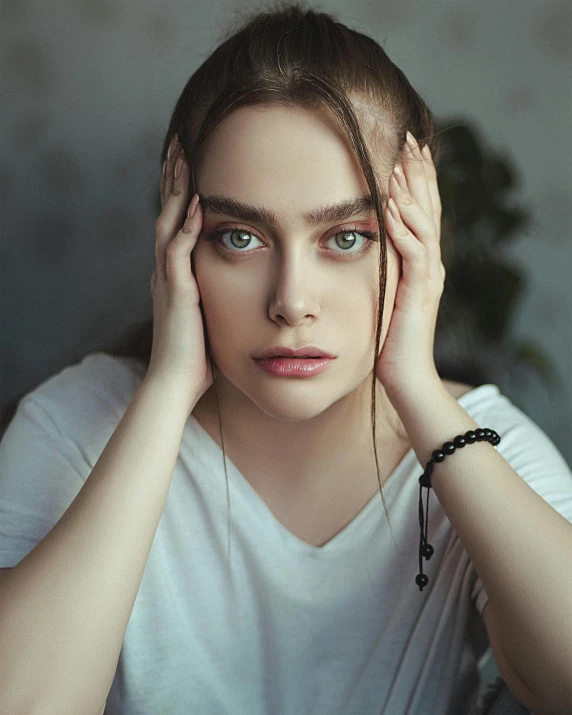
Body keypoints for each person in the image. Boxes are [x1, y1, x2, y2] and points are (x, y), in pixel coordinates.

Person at [1, 4, 571, 715]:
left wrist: (417, 389)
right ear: (178, 244)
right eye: (240, 237)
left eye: (348, 236)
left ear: (416, 241)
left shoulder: (488, 444)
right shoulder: (70, 425)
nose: (292, 300)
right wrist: (168, 388)